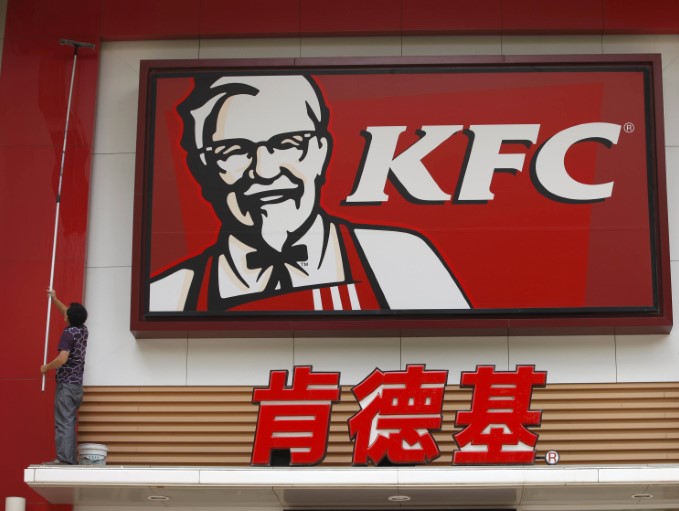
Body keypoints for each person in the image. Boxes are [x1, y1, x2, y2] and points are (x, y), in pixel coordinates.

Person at [149, 74, 470, 313]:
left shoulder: (399, 260)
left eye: (286, 144)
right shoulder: (172, 294)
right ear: (204, 169)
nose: (265, 170)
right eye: (234, 151)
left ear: (320, 152)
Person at [40, 289, 89, 465]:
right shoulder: (82, 330)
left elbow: (62, 358)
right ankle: (69, 460)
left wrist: (46, 367)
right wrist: (55, 299)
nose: (65, 311)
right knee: (69, 422)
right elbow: (67, 313)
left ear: (69, 318)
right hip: (76, 387)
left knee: (63, 423)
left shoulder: (68, 334)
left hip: (66, 386)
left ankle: (65, 460)